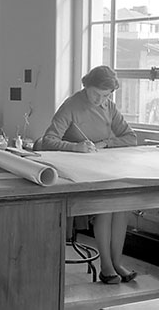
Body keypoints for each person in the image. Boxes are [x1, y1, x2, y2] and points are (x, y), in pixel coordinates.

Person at [42, 65, 137, 285]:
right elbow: (48, 140)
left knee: (121, 209)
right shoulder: (72, 105)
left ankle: (117, 262)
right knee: (105, 211)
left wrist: (104, 143)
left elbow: (130, 137)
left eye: (106, 95)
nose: (100, 100)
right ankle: (106, 266)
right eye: (96, 94)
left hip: (105, 167)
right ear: (86, 86)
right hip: (81, 172)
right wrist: (75, 148)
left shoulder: (109, 106)